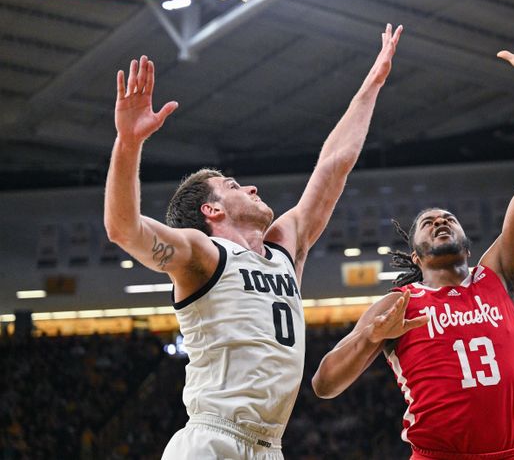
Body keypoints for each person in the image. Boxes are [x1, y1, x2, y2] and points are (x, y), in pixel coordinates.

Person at [103, 23, 403, 460]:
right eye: (233, 185)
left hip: (268, 448)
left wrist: (372, 84)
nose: (252, 189)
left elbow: (335, 165)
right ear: (212, 210)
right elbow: (123, 229)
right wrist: (128, 143)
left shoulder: (284, 248)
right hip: (211, 440)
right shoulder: (202, 254)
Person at [312, 3, 514, 459]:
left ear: (467, 240)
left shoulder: (502, 275)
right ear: (416, 257)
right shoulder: (399, 305)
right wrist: (370, 337)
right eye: (428, 221)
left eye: (449, 218)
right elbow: (324, 384)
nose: (441, 220)